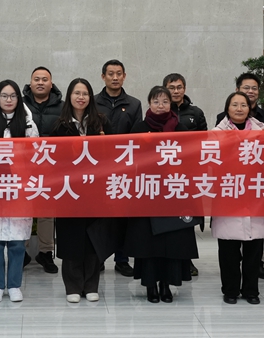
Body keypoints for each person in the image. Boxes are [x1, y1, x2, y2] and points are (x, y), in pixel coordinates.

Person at [125, 86, 196, 304]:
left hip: (173, 193)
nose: (160, 105)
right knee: (149, 242)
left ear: (170, 104)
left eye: (165, 101)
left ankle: (166, 284)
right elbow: (130, 160)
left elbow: (190, 160)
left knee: (171, 241)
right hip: (147, 192)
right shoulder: (139, 128)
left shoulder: (181, 128)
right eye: (156, 101)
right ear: (149, 103)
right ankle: (150, 285)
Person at [51, 78, 114, 303]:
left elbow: (113, 154)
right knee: (71, 238)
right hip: (69, 190)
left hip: (95, 190)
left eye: (85, 93)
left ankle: (91, 284)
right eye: (76, 93)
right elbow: (53, 160)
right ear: (69, 96)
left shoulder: (101, 122)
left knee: (93, 237)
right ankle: (73, 286)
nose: (81, 97)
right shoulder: (59, 125)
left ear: (90, 97)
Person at [0, 80, 39, 303]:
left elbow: (36, 156)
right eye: (4, 96)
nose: (9, 100)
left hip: (18, 188)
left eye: (13, 96)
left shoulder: (28, 123)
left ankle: (14, 285)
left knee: (16, 243)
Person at [212, 91, 264, 305]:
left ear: (250, 108)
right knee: (228, 249)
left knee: (254, 249)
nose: (239, 109)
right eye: (234, 105)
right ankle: (230, 289)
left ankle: (251, 290)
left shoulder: (262, 131)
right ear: (227, 108)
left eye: (243, 105)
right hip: (228, 194)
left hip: (255, 194)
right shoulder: (216, 133)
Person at [94, 59, 141, 277]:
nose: (115, 77)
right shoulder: (94, 102)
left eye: (119, 73)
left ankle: (122, 259)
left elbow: (137, 137)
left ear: (124, 76)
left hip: (124, 169)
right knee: (101, 216)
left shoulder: (134, 104)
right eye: (111, 74)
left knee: (123, 216)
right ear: (103, 76)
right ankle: (99, 257)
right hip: (99, 169)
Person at [163, 72, 205, 277]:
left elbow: (205, 141)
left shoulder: (195, 113)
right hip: (165, 175)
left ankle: (187, 261)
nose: (176, 91)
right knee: (168, 219)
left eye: (179, 87)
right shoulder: (160, 112)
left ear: (185, 89)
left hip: (189, 173)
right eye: (171, 88)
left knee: (187, 220)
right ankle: (168, 259)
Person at [22, 66, 62, 274]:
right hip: (24, 166)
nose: (40, 82)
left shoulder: (62, 107)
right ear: (30, 83)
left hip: (51, 166)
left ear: (51, 83)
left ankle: (46, 252)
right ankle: (23, 252)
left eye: (44, 79)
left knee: (47, 211)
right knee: (24, 209)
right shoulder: (20, 105)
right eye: (36, 79)